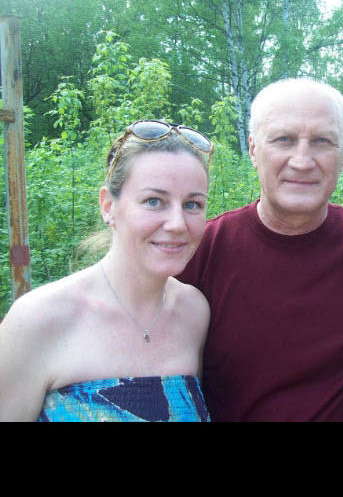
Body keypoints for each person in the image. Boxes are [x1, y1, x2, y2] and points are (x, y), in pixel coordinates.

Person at [178, 78, 343, 421]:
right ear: (253, 150)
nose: (302, 161)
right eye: (284, 140)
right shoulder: (201, 251)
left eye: (322, 141)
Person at [0, 120, 214, 422]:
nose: (178, 224)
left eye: (192, 204)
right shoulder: (37, 320)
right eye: (154, 201)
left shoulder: (193, 312)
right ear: (108, 206)